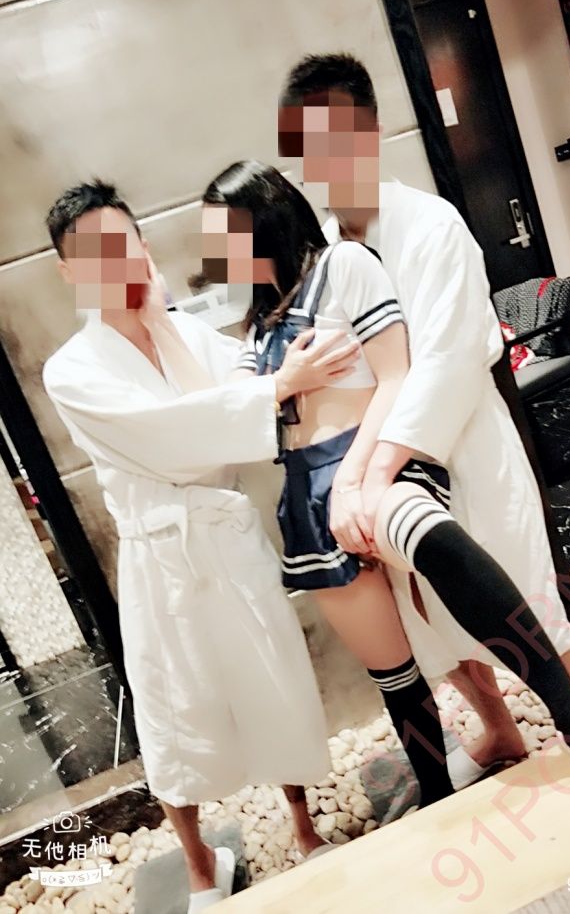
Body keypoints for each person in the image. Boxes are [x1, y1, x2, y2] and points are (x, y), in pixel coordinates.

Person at [200, 161, 570, 823]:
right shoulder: (257, 323)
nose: (214, 252)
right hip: (307, 497)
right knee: (403, 663)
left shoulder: (347, 262)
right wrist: (285, 381)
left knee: (455, 554)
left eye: (223, 233)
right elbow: (246, 414)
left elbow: (399, 373)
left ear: (261, 222)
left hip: (378, 456)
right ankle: (439, 791)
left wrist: (358, 474)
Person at [41, 180, 362, 912]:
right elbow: (174, 438)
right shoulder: (72, 370)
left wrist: (166, 324)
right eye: (91, 251)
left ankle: (304, 826)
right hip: (161, 557)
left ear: (141, 243)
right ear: (68, 269)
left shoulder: (186, 332)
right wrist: (273, 389)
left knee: (273, 681)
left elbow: (243, 400)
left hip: (225, 537)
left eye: (121, 241)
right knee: (173, 713)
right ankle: (196, 864)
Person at [278, 52, 570, 783]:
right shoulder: (324, 252)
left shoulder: (430, 224)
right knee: (429, 616)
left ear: (370, 130)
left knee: (518, 588)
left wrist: (375, 473)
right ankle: (500, 729)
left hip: (460, 442)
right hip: (378, 462)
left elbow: (446, 361)